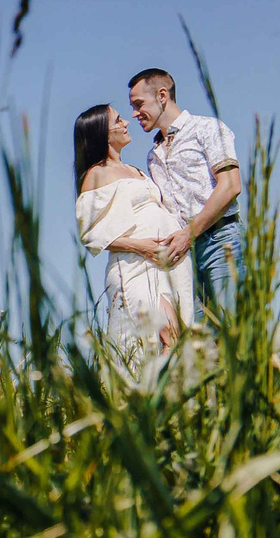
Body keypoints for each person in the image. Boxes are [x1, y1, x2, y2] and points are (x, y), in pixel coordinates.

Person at [73, 102, 195, 362]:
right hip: (134, 267)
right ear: (103, 132)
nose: (126, 122)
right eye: (118, 120)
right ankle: (151, 393)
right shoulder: (96, 174)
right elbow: (92, 235)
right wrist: (142, 246)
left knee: (177, 338)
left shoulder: (136, 170)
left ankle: (170, 397)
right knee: (163, 338)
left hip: (165, 265)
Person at [126, 67, 242, 322]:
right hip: (183, 254)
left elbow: (231, 185)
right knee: (199, 338)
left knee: (233, 327)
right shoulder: (152, 156)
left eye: (138, 104)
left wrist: (188, 234)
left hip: (220, 240)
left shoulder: (207, 128)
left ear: (162, 95)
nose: (134, 114)